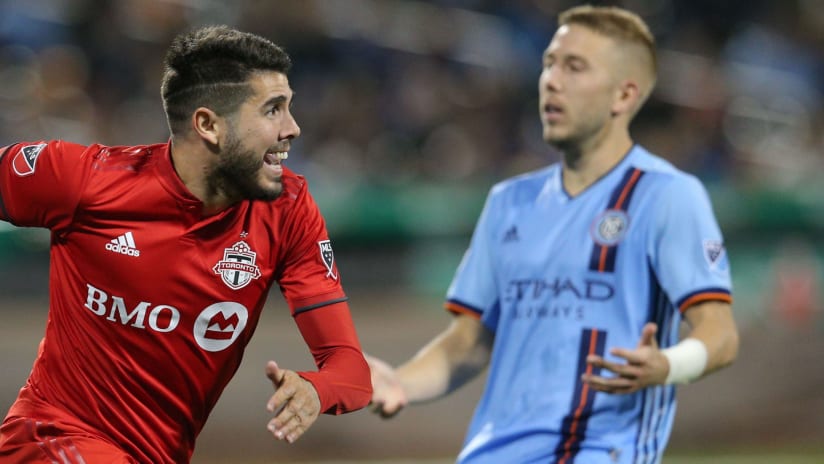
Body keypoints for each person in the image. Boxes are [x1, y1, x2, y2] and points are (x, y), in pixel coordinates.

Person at [367, 5, 739, 464]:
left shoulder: (667, 195)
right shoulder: (508, 201)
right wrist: (399, 382)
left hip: (597, 452)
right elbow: (467, 342)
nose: (552, 80)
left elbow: (720, 334)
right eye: (549, 64)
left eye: (574, 67)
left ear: (623, 95)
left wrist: (667, 365)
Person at [0, 25, 372, 463]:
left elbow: (352, 373)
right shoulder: (83, 181)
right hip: (50, 437)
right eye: (273, 110)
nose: (293, 128)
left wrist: (317, 389)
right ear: (208, 125)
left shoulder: (289, 210)